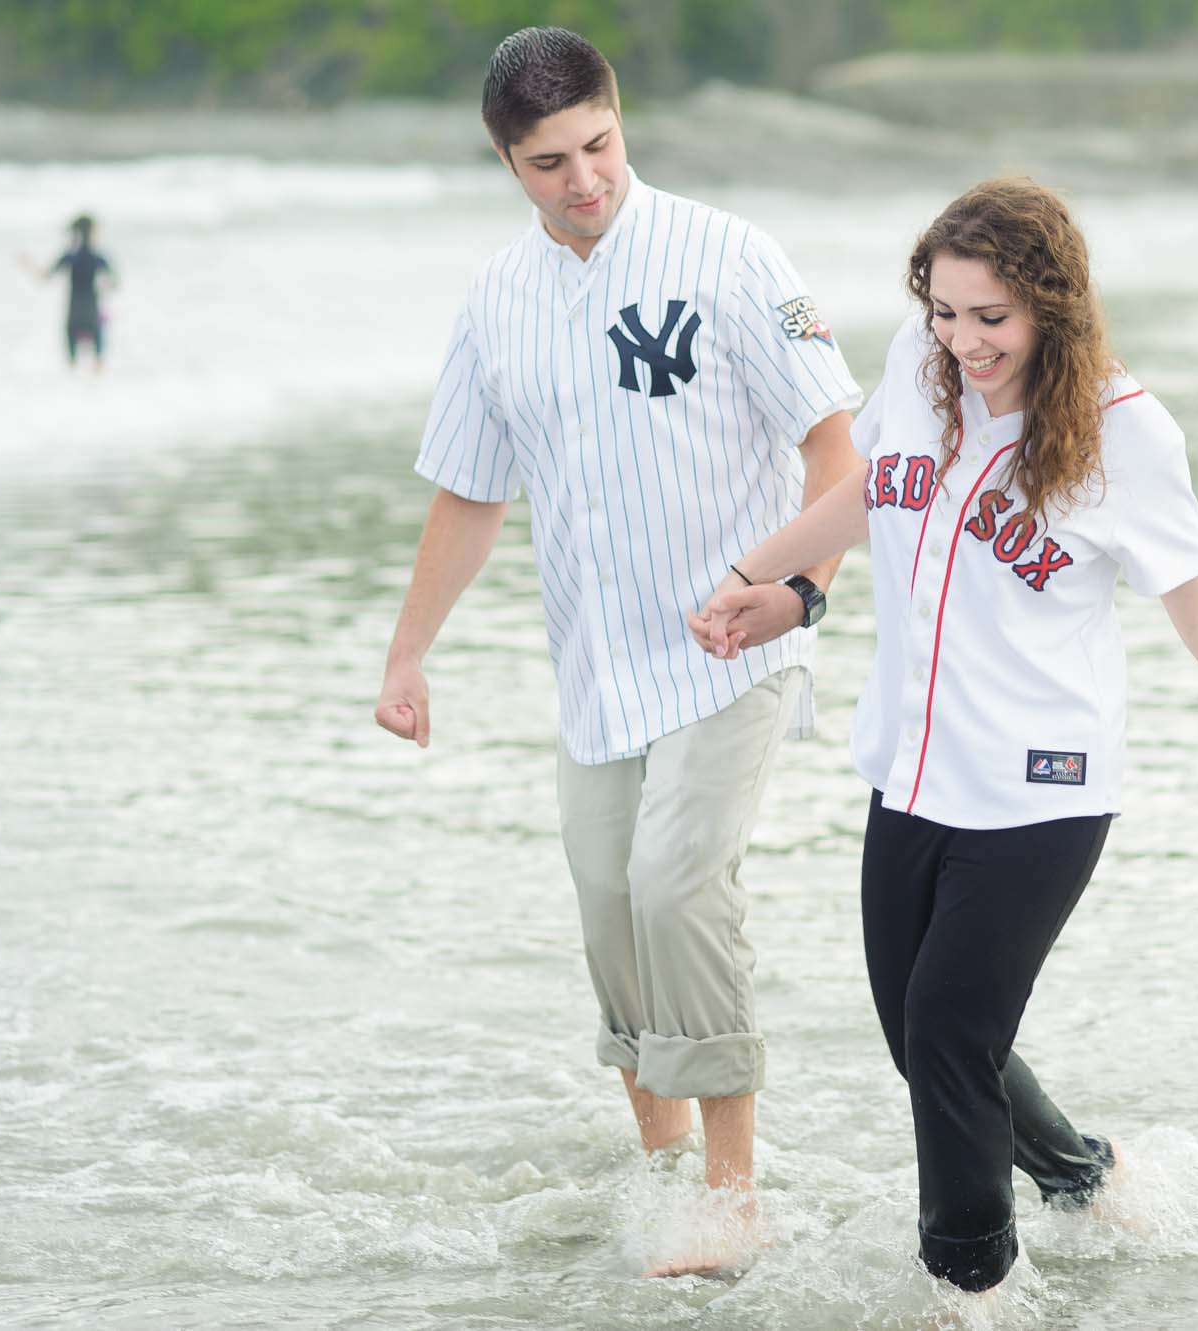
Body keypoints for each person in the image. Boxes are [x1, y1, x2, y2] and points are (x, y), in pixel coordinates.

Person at [691, 178, 1198, 1296]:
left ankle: (968, 1290)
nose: (962, 340)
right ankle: (1083, 1175)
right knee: (924, 1036)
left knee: (948, 1037)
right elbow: (877, 492)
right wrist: (767, 581)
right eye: (944, 310)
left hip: (1039, 791)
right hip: (908, 769)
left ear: (1052, 304)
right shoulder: (924, 365)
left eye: (988, 317)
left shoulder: (1122, 431)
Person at [372, 26, 863, 1270]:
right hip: (594, 670)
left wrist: (795, 589)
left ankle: (731, 1191)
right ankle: (658, 1175)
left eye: (597, 144)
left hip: (732, 647)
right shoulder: (497, 301)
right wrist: (405, 655)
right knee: (608, 904)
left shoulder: (730, 254)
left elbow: (836, 453)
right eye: (547, 163)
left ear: (618, 117)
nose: (583, 178)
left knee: (676, 884)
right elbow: (467, 494)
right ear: (505, 161)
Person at [44, 214, 114, 371]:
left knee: (72, 365)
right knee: (98, 362)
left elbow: (46, 277)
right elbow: (113, 283)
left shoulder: (70, 256)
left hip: (74, 312)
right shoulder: (98, 257)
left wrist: (27, 264)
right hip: (91, 311)